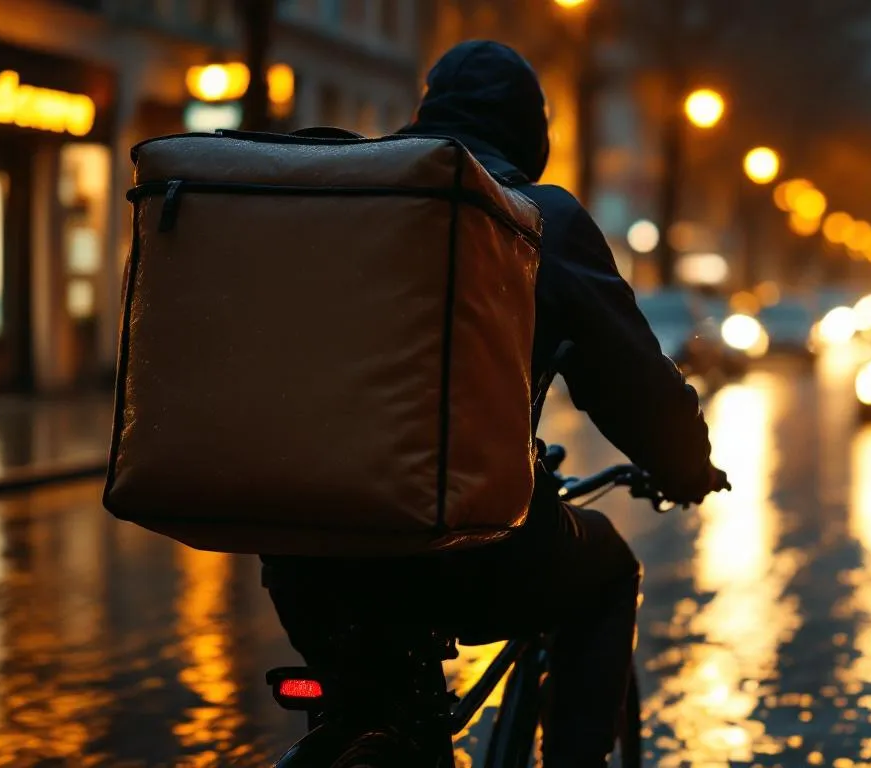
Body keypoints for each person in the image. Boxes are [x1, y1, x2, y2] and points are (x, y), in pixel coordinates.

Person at [262, 40, 726, 766]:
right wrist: (686, 466)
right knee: (607, 571)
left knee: (371, 706)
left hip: (302, 553)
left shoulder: (348, 202)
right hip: (465, 555)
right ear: (531, 133)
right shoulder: (534, 220)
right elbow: (632, 382)